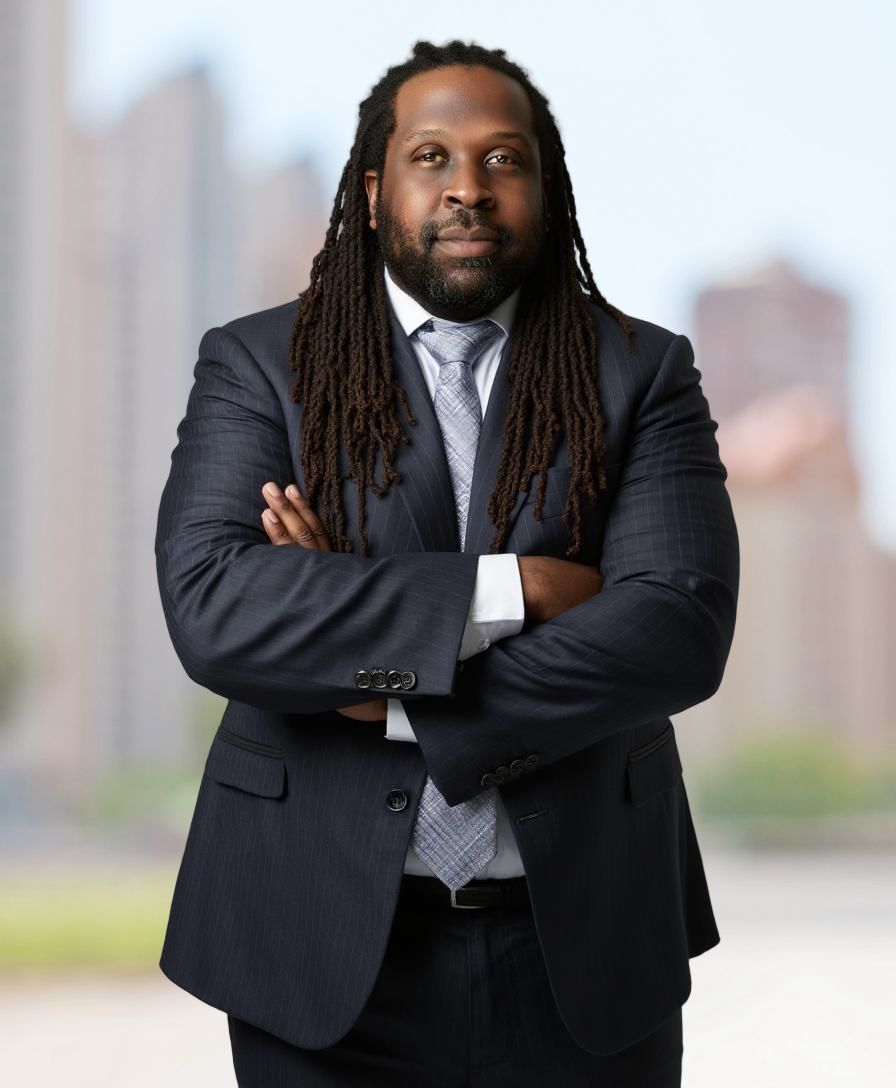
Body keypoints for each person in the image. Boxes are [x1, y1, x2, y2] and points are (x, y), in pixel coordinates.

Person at [155, 38, 739, 1087]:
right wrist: (520, 588)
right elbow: (218, 607)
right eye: (432, 156)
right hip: (317, 943)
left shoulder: (641, 371)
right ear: (376, 192)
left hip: (584, 938)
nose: (467, 188)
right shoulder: (258, 366)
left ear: (544, 188)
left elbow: (674, 630)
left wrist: (376, 674)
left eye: (503, 159)